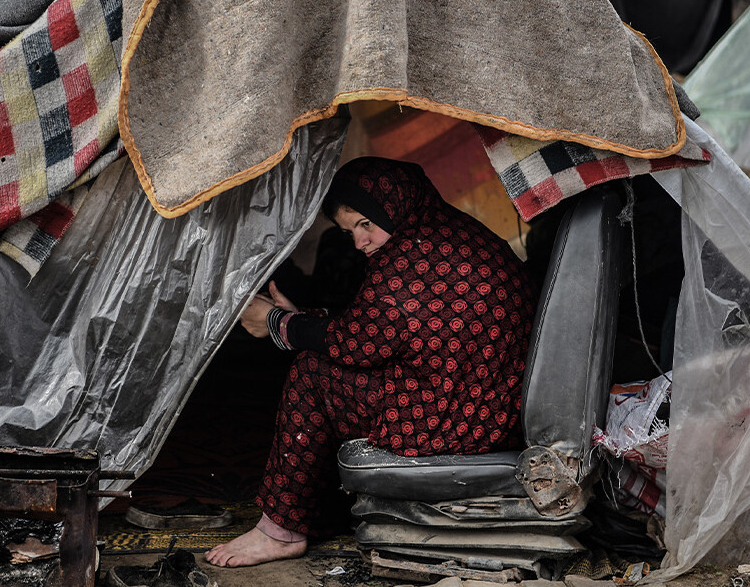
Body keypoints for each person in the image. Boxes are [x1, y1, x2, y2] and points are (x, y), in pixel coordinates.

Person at [205, 156, 535, 567]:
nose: (361, 242)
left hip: (458, 419)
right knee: (325, 363)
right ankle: (310, 514)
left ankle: (281, 530)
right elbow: (382, 330)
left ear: (390, 206)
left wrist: (276, 322)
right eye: (350, 232)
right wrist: (298, 319)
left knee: (312, 375)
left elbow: (357, 344)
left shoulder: (410, 260)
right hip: (490, 404)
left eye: (365, 224)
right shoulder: (449, 232)